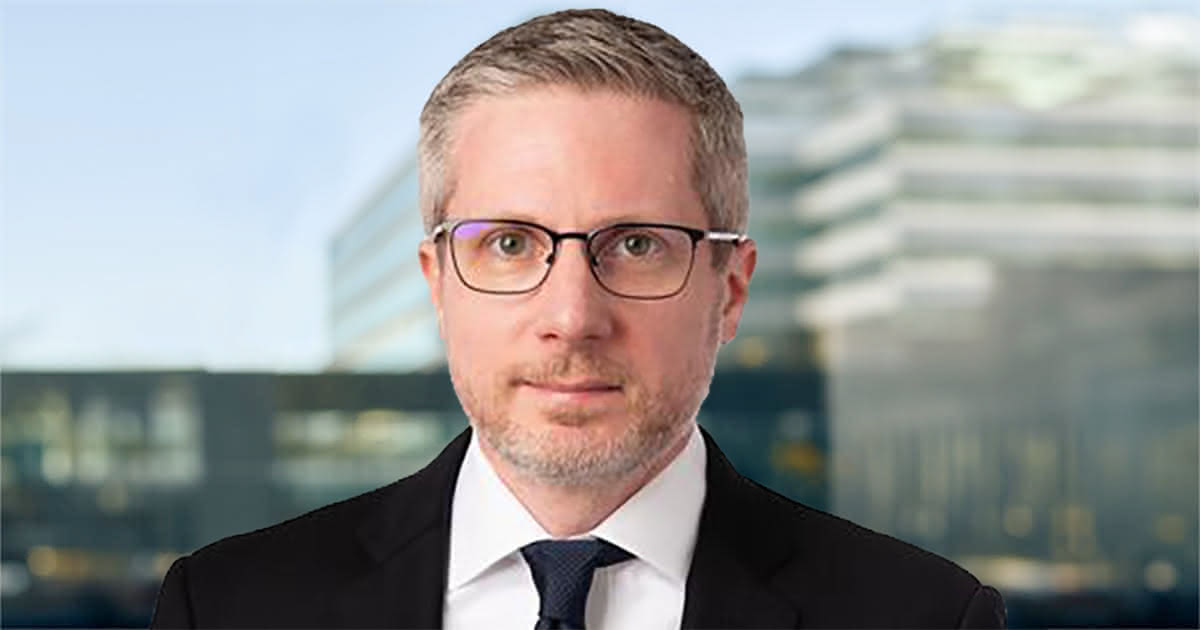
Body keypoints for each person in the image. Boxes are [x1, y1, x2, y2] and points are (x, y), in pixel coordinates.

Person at [150, 8, 1005, 629]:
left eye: (636, 244)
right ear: (437, 284)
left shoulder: (926, 616)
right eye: (512, 245)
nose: (571, 316)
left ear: (731, 290)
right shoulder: (227, 606)